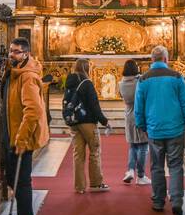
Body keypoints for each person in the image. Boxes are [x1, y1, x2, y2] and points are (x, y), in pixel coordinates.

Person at [0, 37, 48, 215]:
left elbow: (33, 110)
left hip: (20, 139)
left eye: (16, 52)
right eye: (10, 51)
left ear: (26, 54)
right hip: (13, 135)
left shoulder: (27, 77)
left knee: (20, 184)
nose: (11, 55)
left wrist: (22, 139)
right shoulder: (14, 73)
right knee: (17, 182)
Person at [134, 45, 185, 215]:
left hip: (154, 129)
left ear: (152, 60)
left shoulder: (143, 80)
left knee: (156, 166)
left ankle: (158, 201)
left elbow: (139, 107)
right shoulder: (176, 77)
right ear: (166, 60)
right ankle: (176, 201)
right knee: (175, 166)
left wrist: (142, 125)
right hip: (175, 128)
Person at [64, 59, 110, 193]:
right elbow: (94, 105)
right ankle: (96, 184)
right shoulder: (87, 83)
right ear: (86, 68)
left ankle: (79, 187)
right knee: (94, 152)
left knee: (78, 154)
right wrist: (104, 121)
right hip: (88, 122)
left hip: (74, 122)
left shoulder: (69, 81)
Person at [118, 60, 150, 185]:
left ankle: (130, 170)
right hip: (140, 114)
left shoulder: (121, 83)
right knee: (143, 146)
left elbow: (122, 96)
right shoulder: (140, 81)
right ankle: (141, 176)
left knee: (132, 145)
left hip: (128, 114)